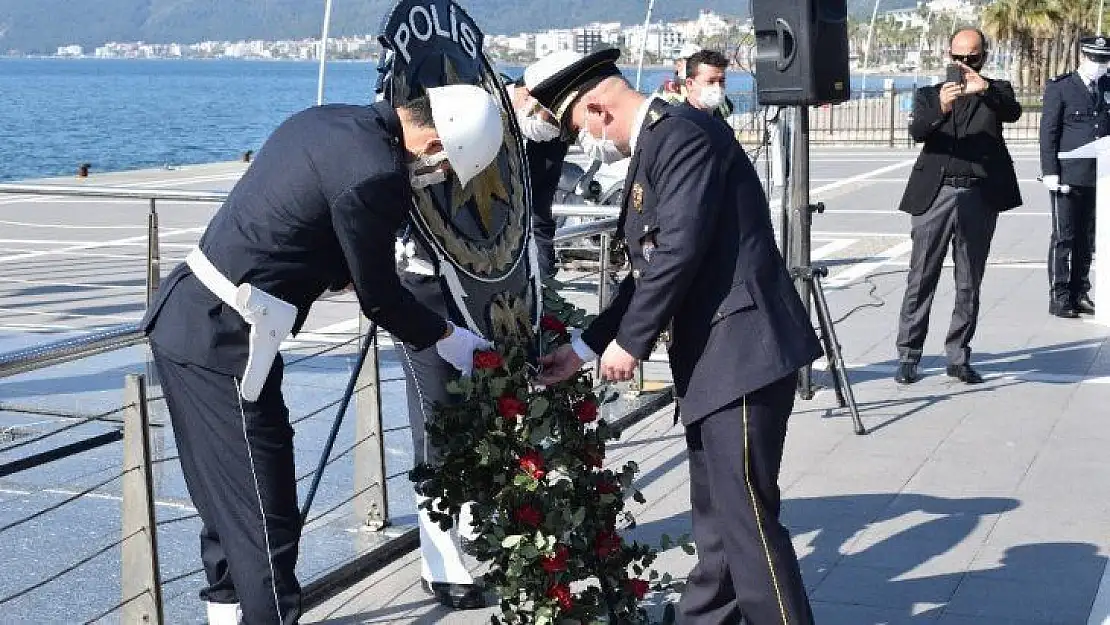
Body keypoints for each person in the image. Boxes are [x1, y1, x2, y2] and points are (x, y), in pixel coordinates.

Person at [140, 84, 503, 625]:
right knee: (267, 520)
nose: (441, 178)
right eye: (446, 167)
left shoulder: (330, 120)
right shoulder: (378, 175)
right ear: (431, 145)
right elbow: (379, 296)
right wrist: (450, 338)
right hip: (225, 340)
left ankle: (224, 612)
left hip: (193, 321)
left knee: (224, 504)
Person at [532, 47, 822, 625]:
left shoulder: (681, 135)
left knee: (747, 526)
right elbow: (648, 269)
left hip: (742, 350)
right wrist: (586, 347)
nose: (583, 141)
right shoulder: (660, 142)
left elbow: (679, 249)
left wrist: (631, 343)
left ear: (597, 107)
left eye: (575, 128)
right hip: (716, 359)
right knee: (716, 524)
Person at [394, 51, 583, 610]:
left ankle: (477, 519)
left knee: (484, 412)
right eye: (542, 104)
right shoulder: (465, 118)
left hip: (498, 287)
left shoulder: (540, 138)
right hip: (427, 291)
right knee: (434, 418)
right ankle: (437, 554)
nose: (550, 119)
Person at [894, 28, 1022, 385]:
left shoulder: (996, 91)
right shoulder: (927, 95)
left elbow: (1012, 112)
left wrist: (988, 90)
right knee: (921, 277)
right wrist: (942, 107)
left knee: (969, 280)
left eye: (973, 58)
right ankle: (908, 355)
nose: (965, 65)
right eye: (959, 58)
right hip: (935, 193)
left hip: (979, 194)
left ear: (984, 56)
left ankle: (958, 355)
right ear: (948, 55)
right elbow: (918, 132)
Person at [1039, 36, 1110, 318]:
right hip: (1067, 176)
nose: (1100, 66)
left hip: (1100, 176)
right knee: (1063, 237)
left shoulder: (1108, 85)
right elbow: (1049, 132)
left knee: (1086, 238)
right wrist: (1050, 172)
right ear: (1082, 56)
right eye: (1095, 59)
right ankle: (1060, 297)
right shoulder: (1062, 86)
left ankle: (1080, 292)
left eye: (1105, 60)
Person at [683, 49, 734, 121]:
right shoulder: (682, 123)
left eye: (721, 81)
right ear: (690, 84)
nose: (718, 87)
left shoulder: (720, 120)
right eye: (711, 81)